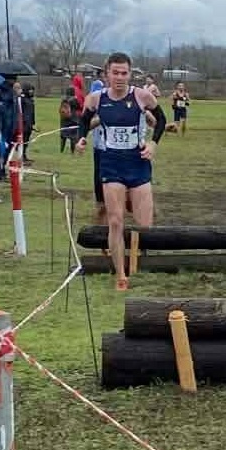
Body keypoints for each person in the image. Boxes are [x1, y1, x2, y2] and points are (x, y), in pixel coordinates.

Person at [75, 52, 166, 290]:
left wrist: (153, 144)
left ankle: (140, 262)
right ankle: (121, 274)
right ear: (107, 73)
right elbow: (84, 121)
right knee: (115, 220)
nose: (119, 77)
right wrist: (81, 139)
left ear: (130, 74)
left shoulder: (141, 96)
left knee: (144, 224)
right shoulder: (96, 99)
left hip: (138, 164)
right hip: (111, 164)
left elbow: (162, 120)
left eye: (124, 73)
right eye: (115, 73)